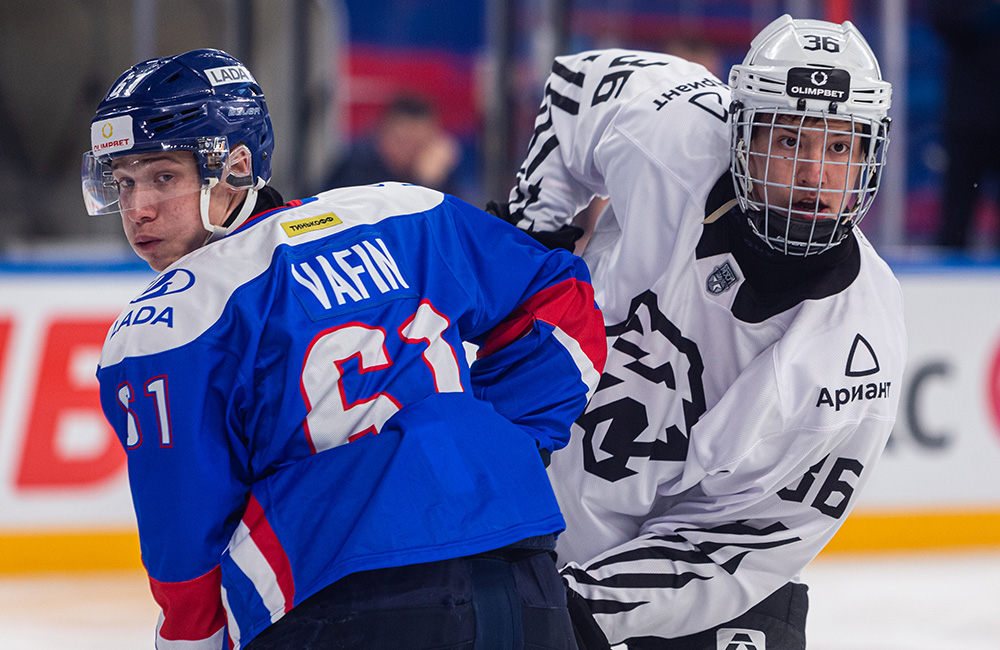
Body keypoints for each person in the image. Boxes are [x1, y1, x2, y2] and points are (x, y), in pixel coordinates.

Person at [82, 48, 607, 650]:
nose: (138, 209)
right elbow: (561, 298)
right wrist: (501, 445)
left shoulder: (168, 321)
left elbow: (184, 539)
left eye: (163, 177)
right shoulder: (406, 211)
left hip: (342, 601)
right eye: (123, 182)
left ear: (236, 167)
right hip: (523, 579)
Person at [492, 15, 906, 649]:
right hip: (525, 509)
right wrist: (529, 247)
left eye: (840, 148)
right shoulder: (676, 129)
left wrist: (579, 608)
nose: (815, 174)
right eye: (790, 141)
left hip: (687, 584)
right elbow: (577, 94)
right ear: (741, 135)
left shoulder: (855, 351)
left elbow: (744, 538)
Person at [931, 0, 1000, 250]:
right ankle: (947, 270)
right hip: (969, 114)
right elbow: (944, 19)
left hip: (971, 111)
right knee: (956, 219)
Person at [319, 94, 462, 195]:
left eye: (420, 144)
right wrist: (425, 185)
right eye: (403, 142)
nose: (410, 152)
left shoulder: (437, 170)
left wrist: (434, 182)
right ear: (382, 133)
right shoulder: (357, 170)